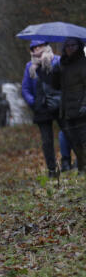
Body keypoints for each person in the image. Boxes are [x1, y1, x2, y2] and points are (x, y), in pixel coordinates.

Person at [20, 39, 63, 177]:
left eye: (39, 46)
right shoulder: (29, 67)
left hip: (58, 104)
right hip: (41, 108)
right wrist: (33, 102)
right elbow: (25, 88)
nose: (37, 50)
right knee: (46, 141)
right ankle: (52, 169)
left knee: (69, 133)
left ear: (46, 46)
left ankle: (75, 162)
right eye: (34, 48)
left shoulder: (57, 60)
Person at [54, 36, 86, 174]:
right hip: (66, 109)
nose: (70, 48)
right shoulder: (62, 64)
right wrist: (53, 72)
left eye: (73, 45)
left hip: (81, 108)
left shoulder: (84, 63)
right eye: (67, 46)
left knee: (84, 140)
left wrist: (84, 104)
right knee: (74, 141)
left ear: (79, 46)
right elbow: (55, 85)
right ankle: (81, 167)